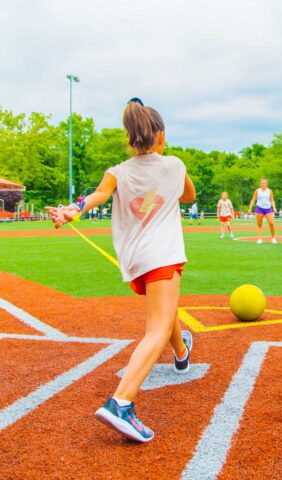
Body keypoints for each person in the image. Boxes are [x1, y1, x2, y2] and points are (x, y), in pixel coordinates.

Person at [46, 97, 196, 443]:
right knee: (155, 330)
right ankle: (121, 402)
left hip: (136, 260)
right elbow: (188, 196)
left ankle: (182, 353)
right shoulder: (174, 165)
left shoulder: (117, 172)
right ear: (160, 135)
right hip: (163, 254)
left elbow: (96, 196)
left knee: (166, 310)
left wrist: (73, 209)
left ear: (130, 139)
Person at [248, 178, 277, 244]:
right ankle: (259, 239)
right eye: (262, 183)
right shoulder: (257, 191)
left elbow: (272, 200)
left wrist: (274, 207)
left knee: (271, 223)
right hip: (259, 208)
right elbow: (253, 200)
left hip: (268, 209)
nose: (263, 184)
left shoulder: (269, 191)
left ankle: (273, 238)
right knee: (259, 224)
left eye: (265, 183)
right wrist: (250, 208)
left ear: (267, 184)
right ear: (260, 184)